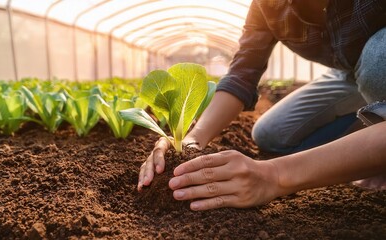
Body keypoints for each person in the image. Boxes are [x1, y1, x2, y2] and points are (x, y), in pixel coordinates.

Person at [138, 0, 386, 211]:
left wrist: (275, 176)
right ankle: (368, 131)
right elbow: (242, 75)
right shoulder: (268, 6)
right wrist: (192, 139)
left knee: (379, 64)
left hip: (376, 65)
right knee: (271, 133)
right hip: (347, 74)